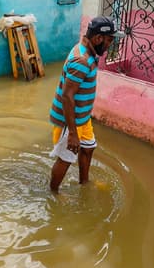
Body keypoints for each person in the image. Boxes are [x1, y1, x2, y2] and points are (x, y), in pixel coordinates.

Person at [49, 16, 116, 192]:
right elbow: (67, 96)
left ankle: (84, 183)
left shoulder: (89, 52)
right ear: (98, 38)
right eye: (109, 40)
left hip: (82, 117)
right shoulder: (82, 60)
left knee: (88, 147)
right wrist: (72, 132)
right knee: (66, 157)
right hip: (69, 119)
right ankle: (53, 193)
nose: (110, 45)